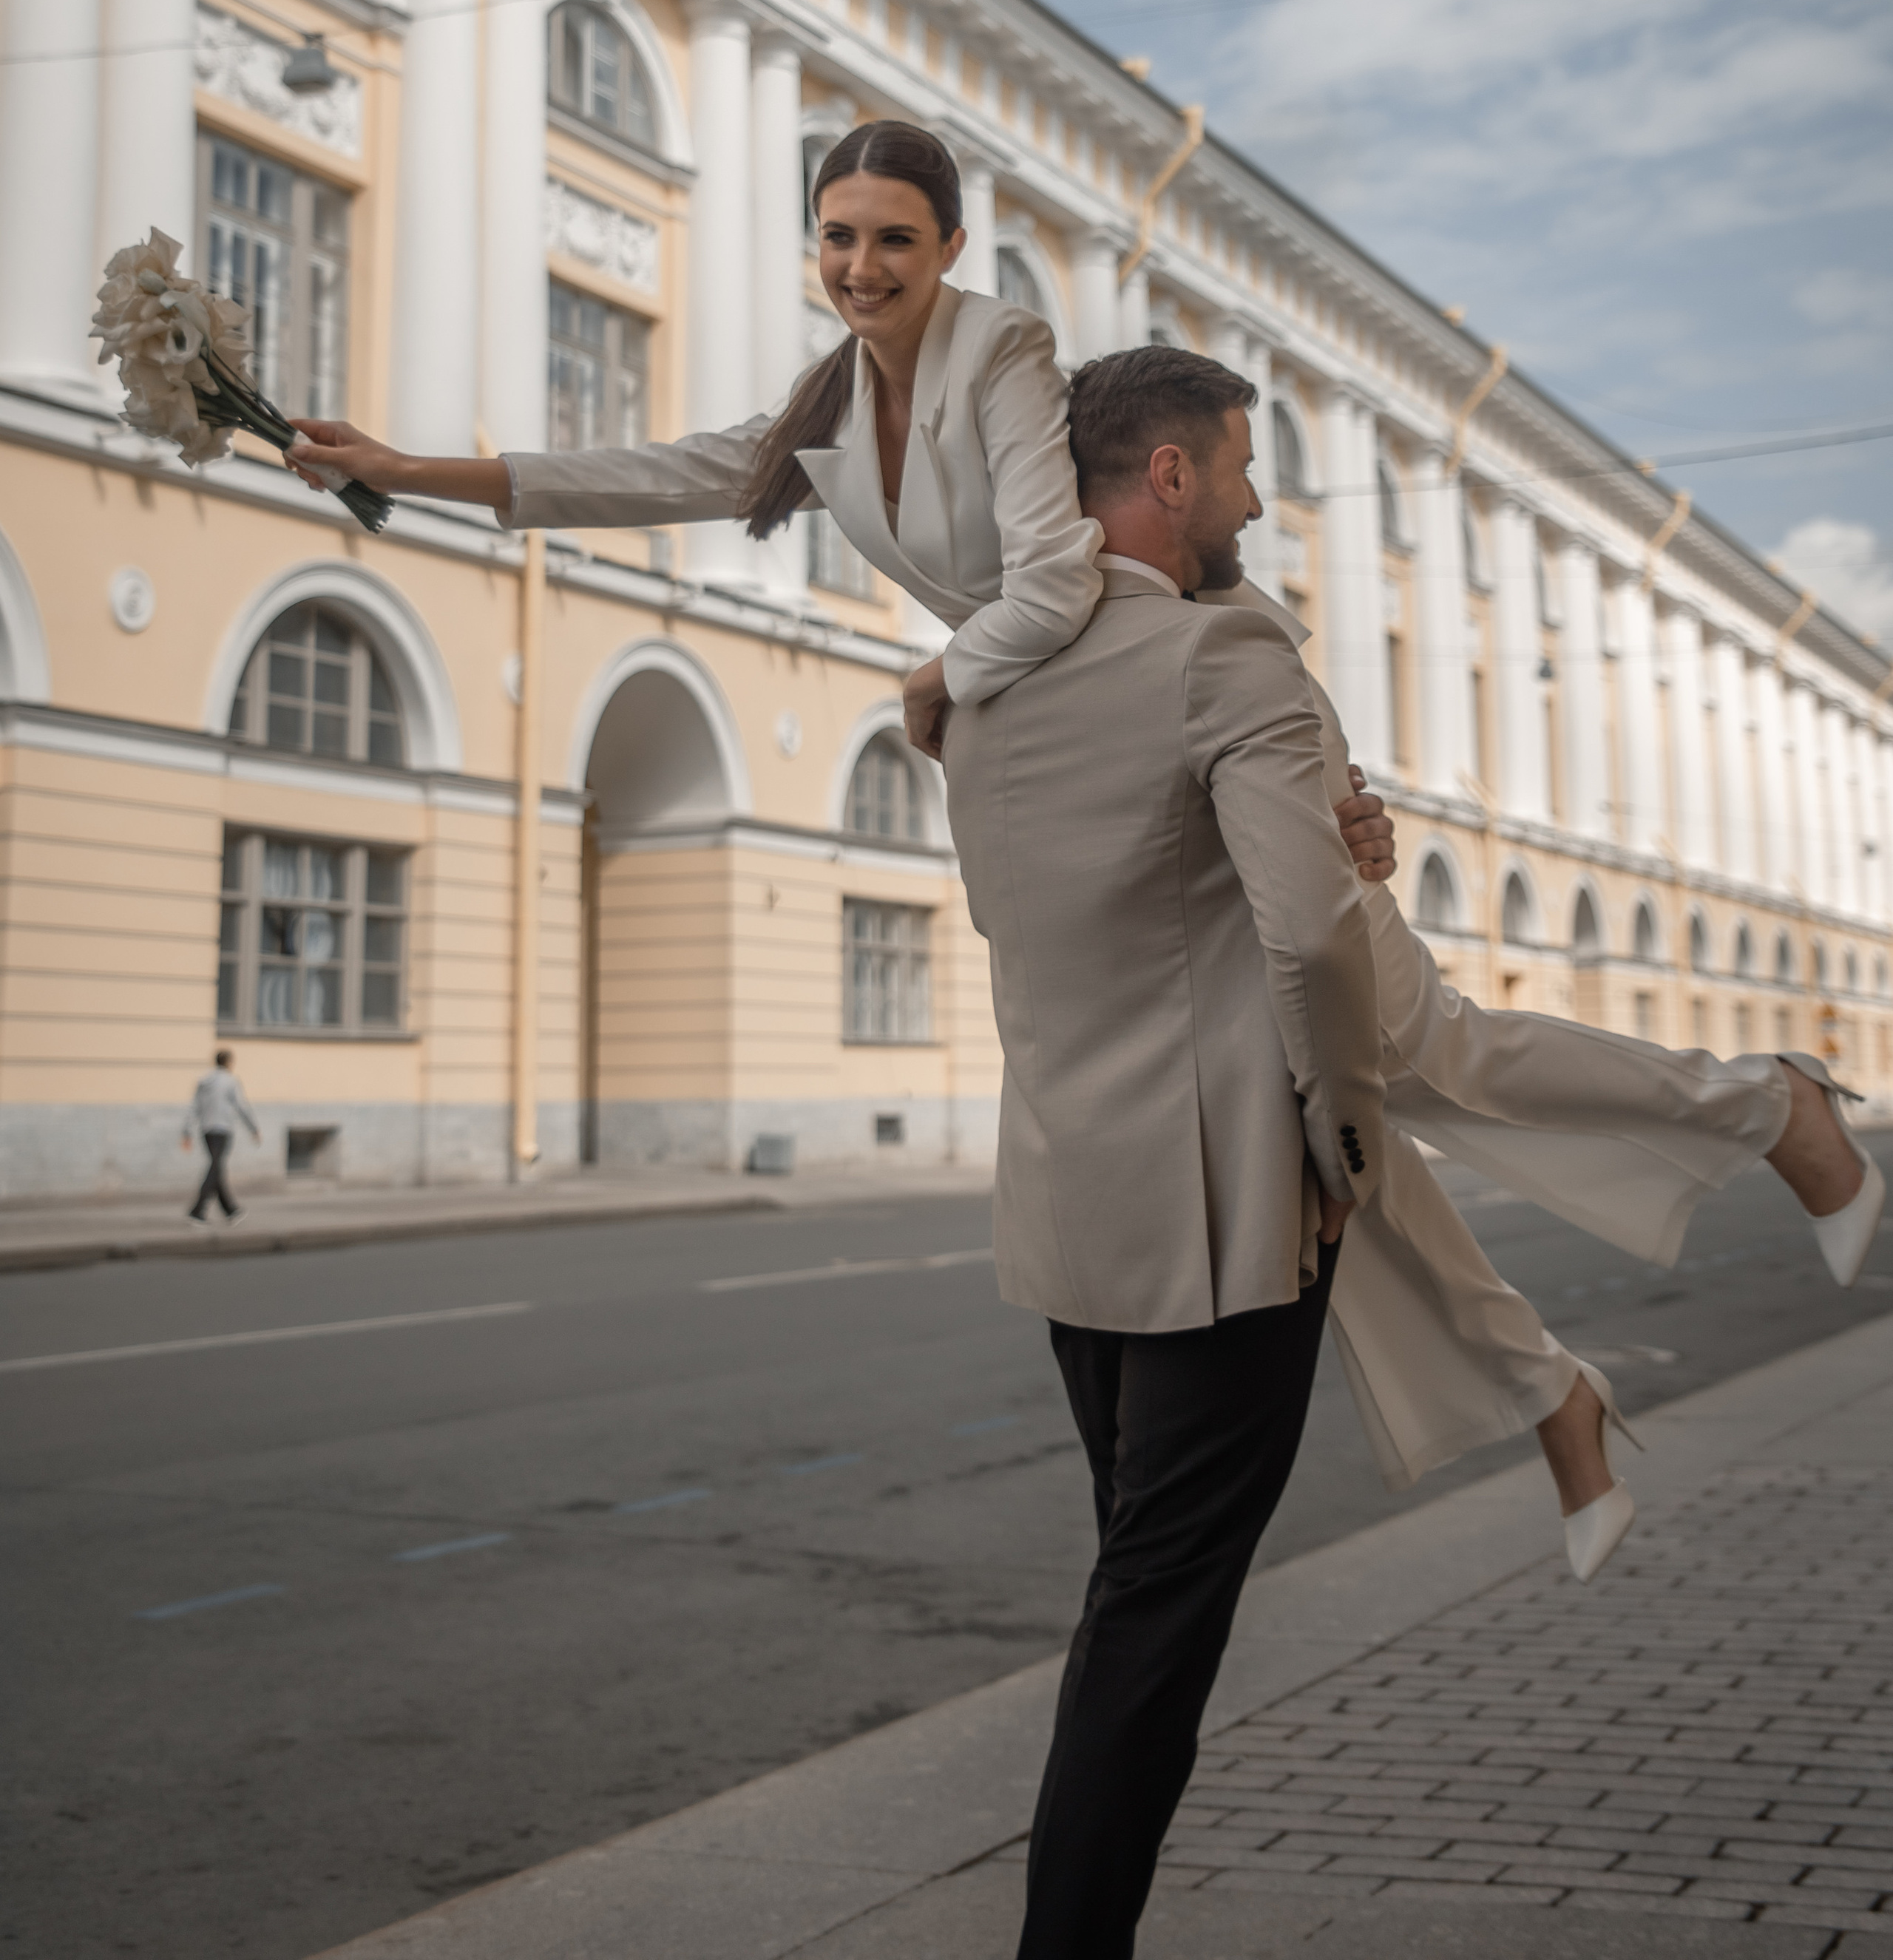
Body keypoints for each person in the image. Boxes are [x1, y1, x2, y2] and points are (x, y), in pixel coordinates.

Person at [288, 119, 1881, 1576]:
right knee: (1339, 1131)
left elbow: (1053, 586)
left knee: (1409, 1045)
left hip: (1193, 681)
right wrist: (409, 471)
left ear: (946, 250)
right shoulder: (834, 404)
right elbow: (666, 476)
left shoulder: (1000, 353)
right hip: (1110, 742)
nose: (860, 266)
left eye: (893, 239)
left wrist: (940, 677)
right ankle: (1556, 1395)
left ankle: (1768, 1112)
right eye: (835, 236)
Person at [941, 347, 1385, 1958]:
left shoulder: (980, 688)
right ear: (1172, 478)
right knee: (1155, 1620)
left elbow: (1077, 913)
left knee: (1136, 1589)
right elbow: (1315, 944)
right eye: (1244, 465)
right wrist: (1340, 1133)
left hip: (1070, 1201)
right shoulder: (1224, 659)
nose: (1261, 498)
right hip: (1224, 1216)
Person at [182, 1048, 260, 1223]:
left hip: (207, 1130)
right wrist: (253, 1128)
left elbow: (194, 1107)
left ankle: (231, 1211)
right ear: (229, 1062)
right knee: (215, 1167)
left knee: (217, 1167)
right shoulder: (230, 1081)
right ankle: (198, 1210)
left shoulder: (204, 1080)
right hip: (223, 1129)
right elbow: (241, 1105)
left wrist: (187, 1131)